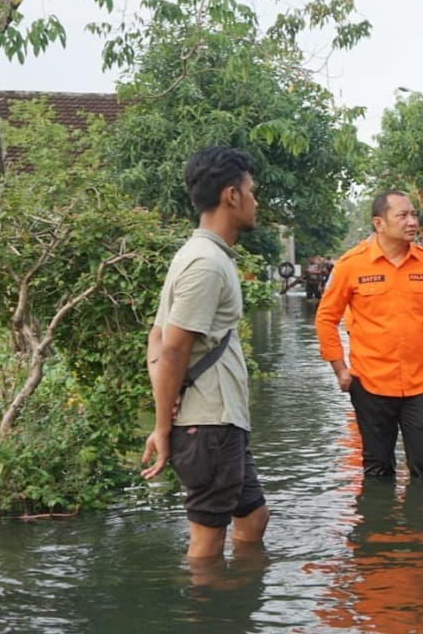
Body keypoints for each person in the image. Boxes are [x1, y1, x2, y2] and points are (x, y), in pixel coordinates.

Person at [141, 145, 270, 558]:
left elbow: (156, 339)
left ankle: (236, 600)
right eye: (252, 190)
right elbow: (172, 349)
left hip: (220, 420)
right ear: (232, 196)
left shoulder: (200, 255)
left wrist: (170, 401)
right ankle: (205, 611)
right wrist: (163, 427)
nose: (256, 200)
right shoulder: (205, 264)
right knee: (207, 540)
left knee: (253, 517)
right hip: (209, 424)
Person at [315, 191, 423, 480]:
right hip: (370, 384)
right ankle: (379, 524)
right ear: (379, 223)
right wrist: (339, 369)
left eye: (413, 215)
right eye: (402, 216)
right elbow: (327, 318)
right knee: (378, 470)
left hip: (420, 384)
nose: (412, 222)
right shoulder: (351, 265)